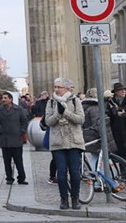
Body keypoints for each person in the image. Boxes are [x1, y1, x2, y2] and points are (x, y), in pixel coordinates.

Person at [45, 76, 85, 210]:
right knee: (61, 173)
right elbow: (48, 122)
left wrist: (66, 113)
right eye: (55, 87)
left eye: (59, 87)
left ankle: (75, 198)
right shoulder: (51, 102)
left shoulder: (75, 100)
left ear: (66, 88)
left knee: (74, 172)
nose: (56, 89)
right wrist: (57, 114)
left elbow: (80, 119)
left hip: (74, 141)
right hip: (58, 143)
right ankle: (64, 199)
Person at [0, 90, 28, 185]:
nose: (3, 100)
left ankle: (21, 178)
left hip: (16, 138)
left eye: (5, 98)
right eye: (2, 98)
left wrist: (22, 131)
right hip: (5, 138)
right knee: (7, 161)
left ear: (10, 99)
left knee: (18, 160)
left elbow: (24, 121)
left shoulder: (19, 109)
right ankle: (9, 178)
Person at [106, 82, 126, 156]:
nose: (123, 91)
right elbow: (109, 114)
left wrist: (123, 114)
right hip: (117, 132)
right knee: (121, 154)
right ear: (116, 92)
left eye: (123, 89)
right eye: (120, 90)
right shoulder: (111, 102)